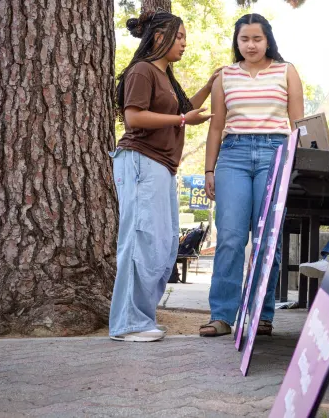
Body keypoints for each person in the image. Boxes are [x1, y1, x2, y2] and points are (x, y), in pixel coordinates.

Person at [110, 10, 218, 342]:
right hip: (141, 160)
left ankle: (142, 317)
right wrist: (182, 121)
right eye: (180, 36)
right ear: (160, 37)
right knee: (141, 240)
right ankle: (128, 323)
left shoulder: (165, 76)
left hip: (160, 167)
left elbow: (184, 111)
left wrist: (212, 84)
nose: (185, 43)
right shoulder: (143, 71)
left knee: (166, 243)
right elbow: (135, 118)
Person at [201, 13, 304, 337]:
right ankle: (222, 315)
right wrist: (209, 169)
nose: (250, 45)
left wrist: (295, 166)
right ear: (237, 42)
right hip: (233, 156)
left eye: (257, 39)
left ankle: (262, 313)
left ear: (268, 39)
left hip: (275, 153)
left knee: (266, 238)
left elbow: (298, 126)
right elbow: (216, 127)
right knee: (230, 237)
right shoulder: (224, 76)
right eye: (244, 39)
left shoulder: (286, 71)